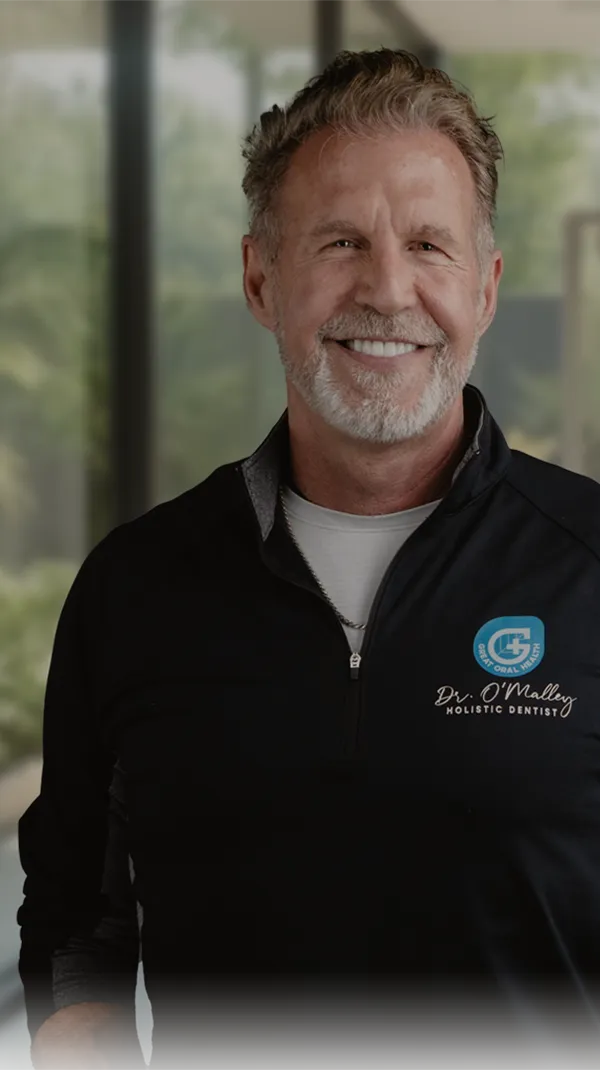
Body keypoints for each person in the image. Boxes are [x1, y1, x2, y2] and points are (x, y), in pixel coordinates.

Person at [16, 46, 600, 1070]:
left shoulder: (591, 567)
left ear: (488, 286)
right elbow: (76, 923)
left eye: (429, 243)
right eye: (340, 241)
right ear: (259, 276)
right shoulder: (136, 588)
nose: (387, 288)